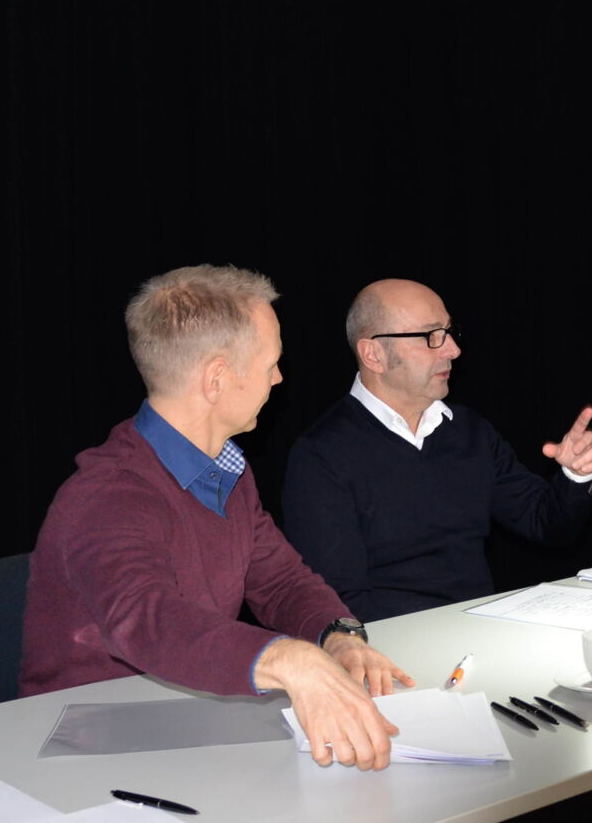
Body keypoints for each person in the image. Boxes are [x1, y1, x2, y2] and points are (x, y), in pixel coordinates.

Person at [21, 265, 412, 772]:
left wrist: (336, 635)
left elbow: (281, 582)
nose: (278, 378)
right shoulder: (109, 494)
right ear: (217, 379)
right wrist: (286, 658)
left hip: (184, 723)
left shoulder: (226, 470)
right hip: (83, 750)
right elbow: (146, 620)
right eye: (271, 363)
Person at [282, 279, 592, 622]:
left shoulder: (468, 432)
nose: (453, 350)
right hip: (389, 643)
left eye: (449, 332)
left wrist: (575, 475)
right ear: (373, 354)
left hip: (477, 631)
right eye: (431, 336)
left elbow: (547, 524)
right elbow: (336, 602)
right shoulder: (322, 455)